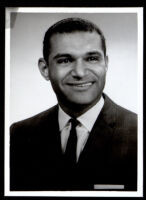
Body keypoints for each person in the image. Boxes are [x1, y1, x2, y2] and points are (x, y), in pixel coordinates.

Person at [10, 18, 137, 191]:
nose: (79, 72)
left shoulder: (138, 133)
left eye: (92, 58)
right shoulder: (20, 135)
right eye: (64, 60)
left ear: (106, 63)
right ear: (45, 69)